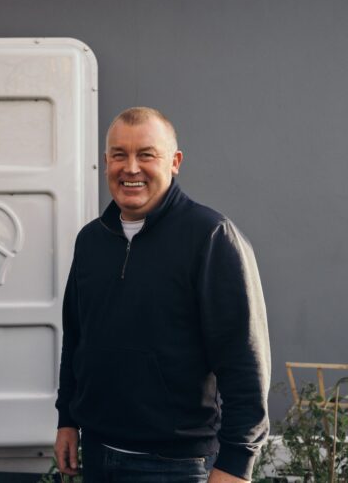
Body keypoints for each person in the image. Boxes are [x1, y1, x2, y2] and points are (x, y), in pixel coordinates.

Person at [54, 107, 270, 482]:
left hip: (178, 465)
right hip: (100, 455)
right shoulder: (91, 241)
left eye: (146, 155)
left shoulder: (211, 238)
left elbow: (244, 360)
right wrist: (67, 419)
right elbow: (76, 339)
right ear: (106, 162)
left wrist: (237, 464)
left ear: (175, 161)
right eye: (119, 155)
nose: (131, 168)